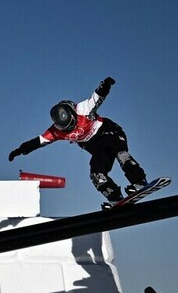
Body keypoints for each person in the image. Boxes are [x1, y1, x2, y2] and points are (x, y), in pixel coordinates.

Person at [8, 77, 148, 207]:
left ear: (73, 113)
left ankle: (139, 181)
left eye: (72, 124)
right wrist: (20, 150)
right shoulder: (56, 132)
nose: (71, 129)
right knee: (96, 174)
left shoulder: (83, 109)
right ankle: (115, 197)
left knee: (118, 151)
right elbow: (38, 142)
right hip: (97, 147)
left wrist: (106, 84)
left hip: (110, 133)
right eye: (67, 128)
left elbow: (98, 95)